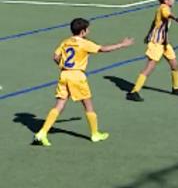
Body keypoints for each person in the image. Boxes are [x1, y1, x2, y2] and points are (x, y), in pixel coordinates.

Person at [32, 18, 134, 146]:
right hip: (77, 76)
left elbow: (55, 56)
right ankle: (95, 134)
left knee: (59, 105)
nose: (89, 31)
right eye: (87, 29)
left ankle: (42, 133)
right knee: (88, 106)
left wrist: (63, 66)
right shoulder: (84, 43)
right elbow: (103, 49)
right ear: (83, 31)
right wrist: (122, 44)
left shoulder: (66, 42)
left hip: (64, 74)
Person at [126, 0, 178, 102]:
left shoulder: (164, 8)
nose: (174, 0)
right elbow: (167, 15)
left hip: (165, 44)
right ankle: (133, 92)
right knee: (150, 67)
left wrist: (148, 34)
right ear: (166, 0)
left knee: (175, 65)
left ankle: (176, 88)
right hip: (156, 44)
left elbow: (155, 22)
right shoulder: (164, 8)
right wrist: (177, 19)